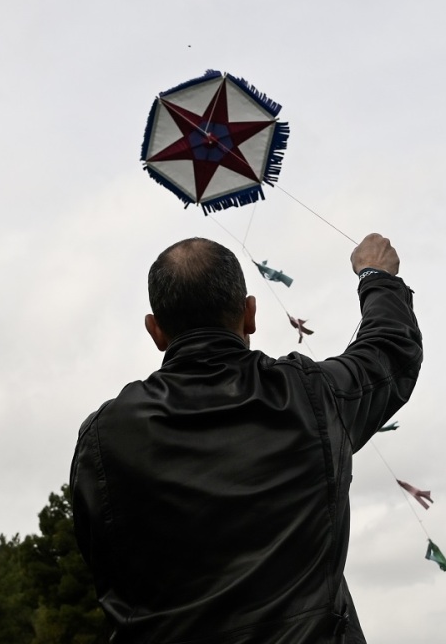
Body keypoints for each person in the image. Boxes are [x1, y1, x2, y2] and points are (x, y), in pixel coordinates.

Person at [70, 233, 423, 643]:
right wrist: (375, 276)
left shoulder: (103, 436)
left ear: (156, 331)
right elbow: (390, 351)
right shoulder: (310, 396)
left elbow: (101, 562)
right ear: (250, 314)